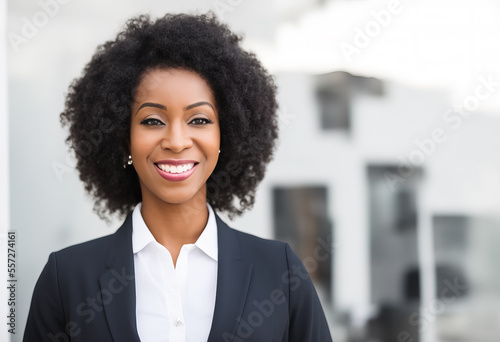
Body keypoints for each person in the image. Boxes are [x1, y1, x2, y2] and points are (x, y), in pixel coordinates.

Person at [23, 13, 332, 342]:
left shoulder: (281, 273)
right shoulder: (67, 278)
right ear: (122, 137)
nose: (176, 141)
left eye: (198, 120)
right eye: (153, 121)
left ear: (226, 135)